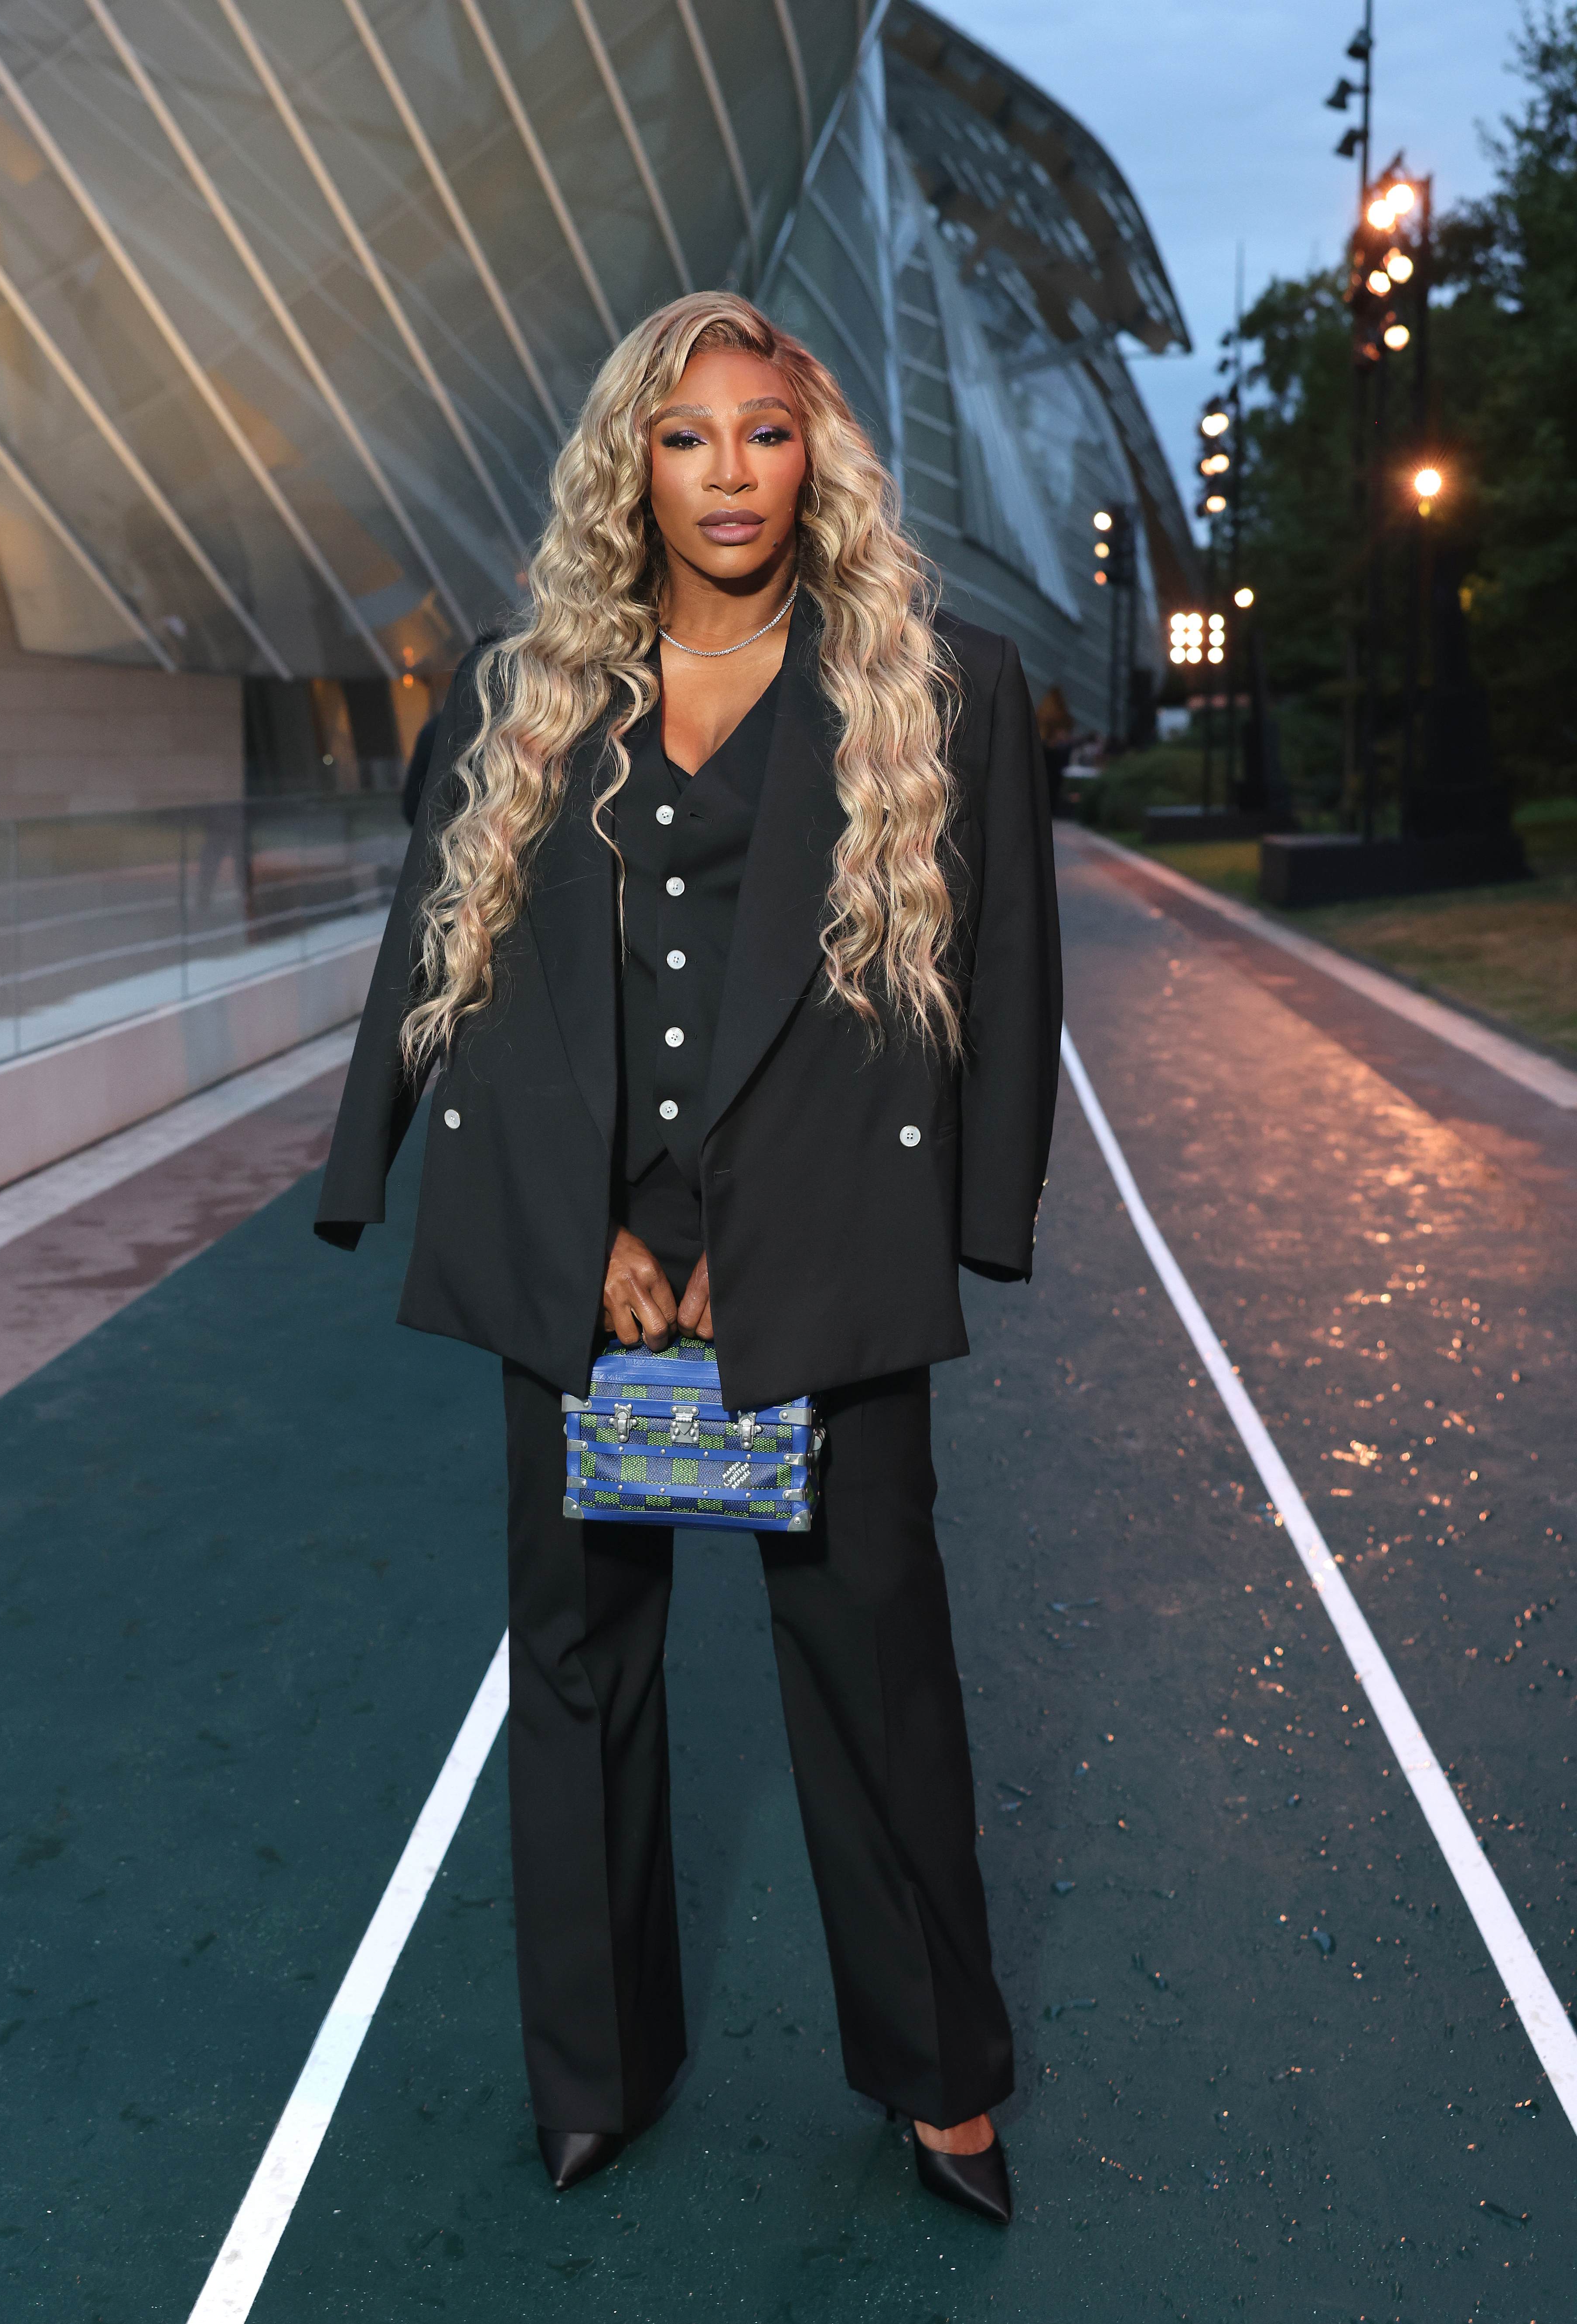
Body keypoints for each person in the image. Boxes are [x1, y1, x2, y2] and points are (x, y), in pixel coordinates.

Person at [315, 293, 1061, 2223]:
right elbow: (454, 974)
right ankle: (596, 2067)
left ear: (817, 458)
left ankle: (937, 2074)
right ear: (625, 467)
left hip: (818, 1248)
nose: (729, 475)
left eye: (765, 433)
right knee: (574, 1664)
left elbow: (992, 983)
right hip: (581, 1258)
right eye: (686, 438)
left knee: (873, 1660)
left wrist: (931, 1233)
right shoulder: (521, 692)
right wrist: (567, 1243)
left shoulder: (941, 683)